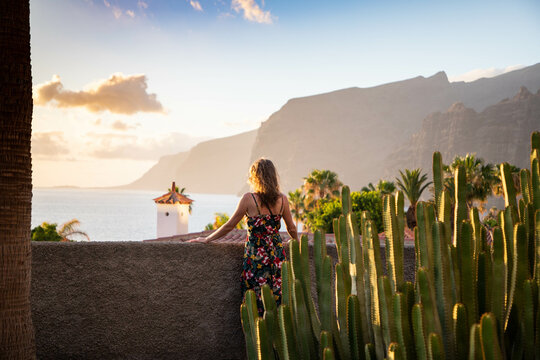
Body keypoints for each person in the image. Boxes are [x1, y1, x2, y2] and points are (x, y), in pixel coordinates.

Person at [188, 158, 298, 314]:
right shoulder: (282, 200)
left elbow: (230, 225)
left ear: (255, 176)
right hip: (276, 257)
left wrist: (207, 239)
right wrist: (298, 243)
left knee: (254, 302)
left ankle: (257, 334)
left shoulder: (249, 199)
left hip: (255, 258)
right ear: (273, 176)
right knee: (276, 299)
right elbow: (291, 228)